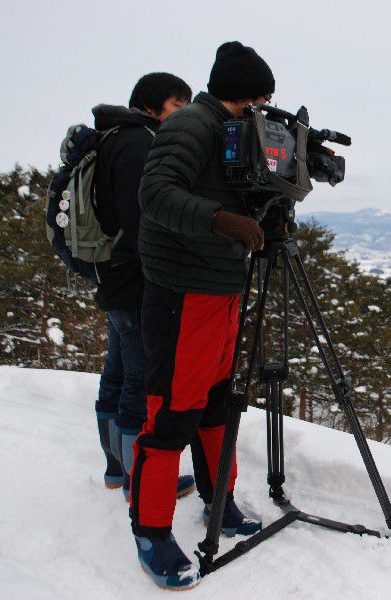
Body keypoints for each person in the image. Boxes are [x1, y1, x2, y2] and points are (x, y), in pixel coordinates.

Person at [129, 42, 273, 590]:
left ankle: (220, 503)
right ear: (235, 92)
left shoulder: (231, 130)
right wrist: (220, 221)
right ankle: (151, 531)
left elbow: (231, 196)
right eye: (256, 98)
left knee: (215, 404)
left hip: (220, 290)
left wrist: (261, 221)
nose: (260, 108)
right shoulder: (191, 125)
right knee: (170, 414)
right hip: (182, 293)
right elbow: (155, 194)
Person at [93, 73, 196, 503]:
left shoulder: (116, 138)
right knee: (137, 380)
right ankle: (141, 478)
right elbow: (143, 223)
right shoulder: (139, 144)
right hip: (135, 278)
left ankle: (117, 467)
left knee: (116, 374)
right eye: (178, 105)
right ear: (152, 106)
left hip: (114, 274)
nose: (185, 113)